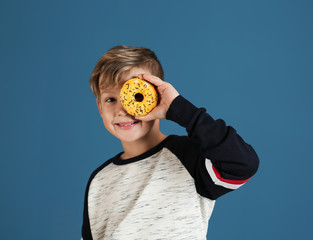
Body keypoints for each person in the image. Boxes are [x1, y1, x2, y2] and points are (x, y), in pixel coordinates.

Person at [82, 45, 260, 240]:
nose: (122, 109)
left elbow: (242, 164)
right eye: (110, 99)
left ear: (158, 95)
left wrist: (180, 109)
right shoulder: (99, 180)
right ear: (99, 107)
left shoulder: (190, 158)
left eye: (133, 95)